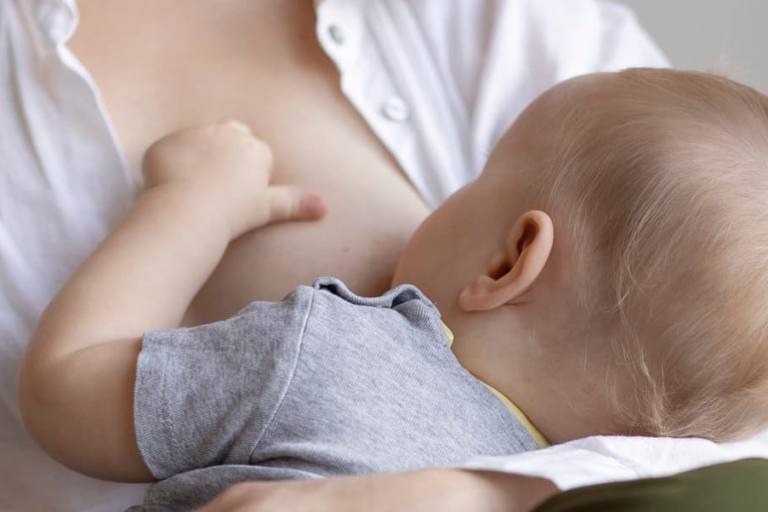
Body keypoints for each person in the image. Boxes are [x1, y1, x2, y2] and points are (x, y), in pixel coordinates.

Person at [1, 0, 669, 510]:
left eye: (481, 174)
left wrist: (189, 205)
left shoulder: (318, 349)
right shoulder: (559, 460)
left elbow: (64, 391)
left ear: (506, 263)